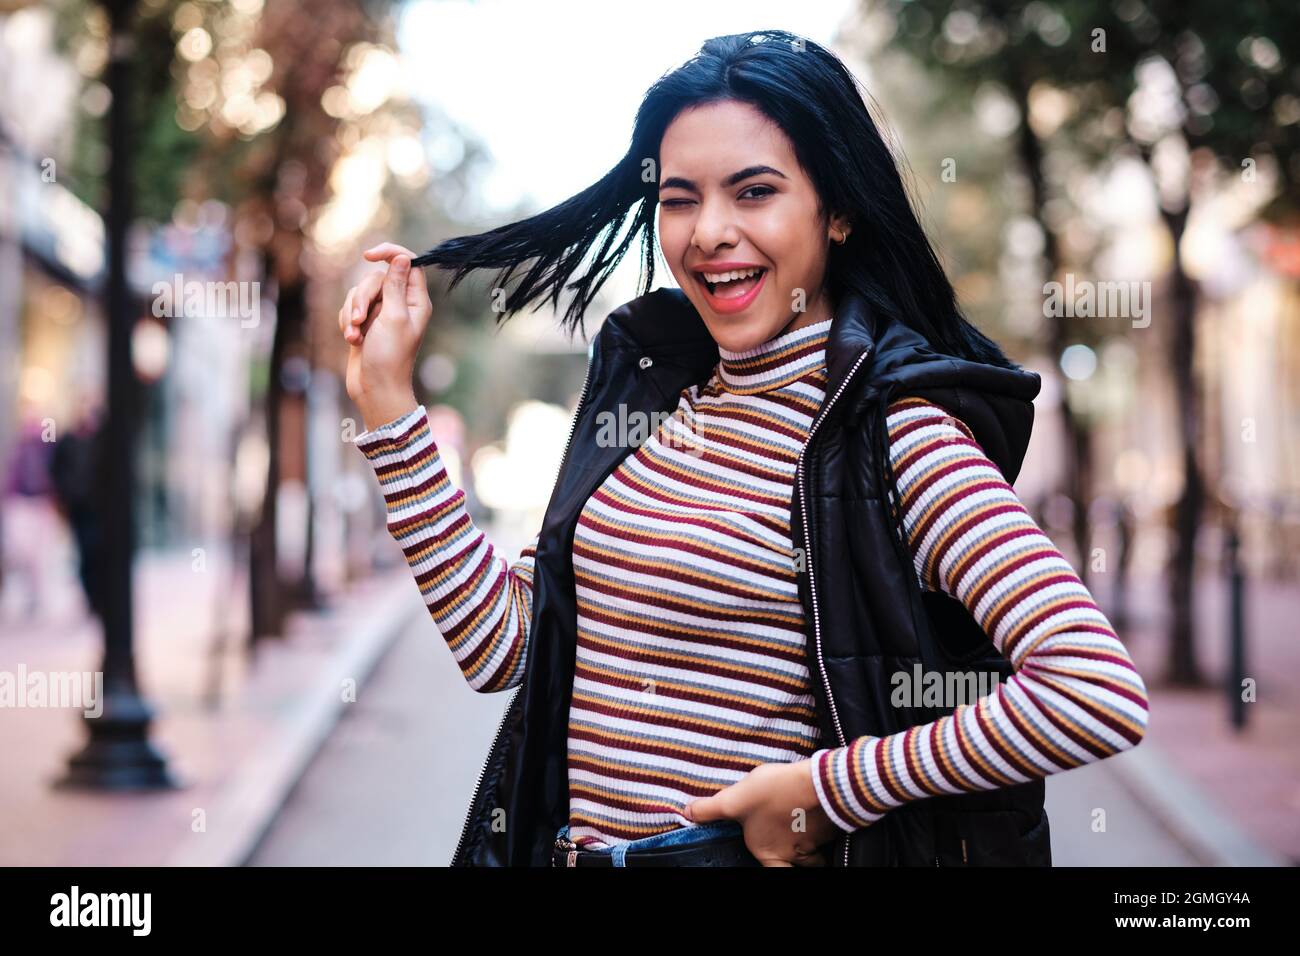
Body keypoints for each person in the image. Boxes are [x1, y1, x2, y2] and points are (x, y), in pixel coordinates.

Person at [338, 30, 1149, 867]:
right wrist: (390, 410)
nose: (709, 232)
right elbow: (504, 645)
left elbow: (1091, 690)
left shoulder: (896, 434)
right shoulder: (654, 408)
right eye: (680, 198)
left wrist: (826, 791)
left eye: (753, 192)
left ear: (837, 211)